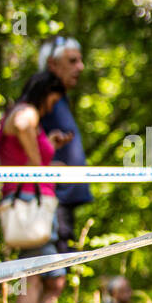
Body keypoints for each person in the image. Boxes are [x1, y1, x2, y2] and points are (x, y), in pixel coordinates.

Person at [0, 70, 69, 303]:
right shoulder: (27, 112)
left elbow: (19, 150)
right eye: (54, 100)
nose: (53, 107)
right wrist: (39, 165)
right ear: (45, 94)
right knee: (45, 274)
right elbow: (22, 125)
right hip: (30, 203)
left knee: (37, 271)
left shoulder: (18, 111)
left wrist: (47, 146)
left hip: (28, 200)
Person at [37, 36, 91, 255]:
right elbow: (18, 127)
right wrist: (41, 165)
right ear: (52, 64)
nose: (80, 66)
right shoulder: (43, 93)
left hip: (63, 200)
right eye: (72, 61)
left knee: (58, 274)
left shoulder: (59, 98)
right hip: (50, 199)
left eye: (80, 60)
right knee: (47, 273)